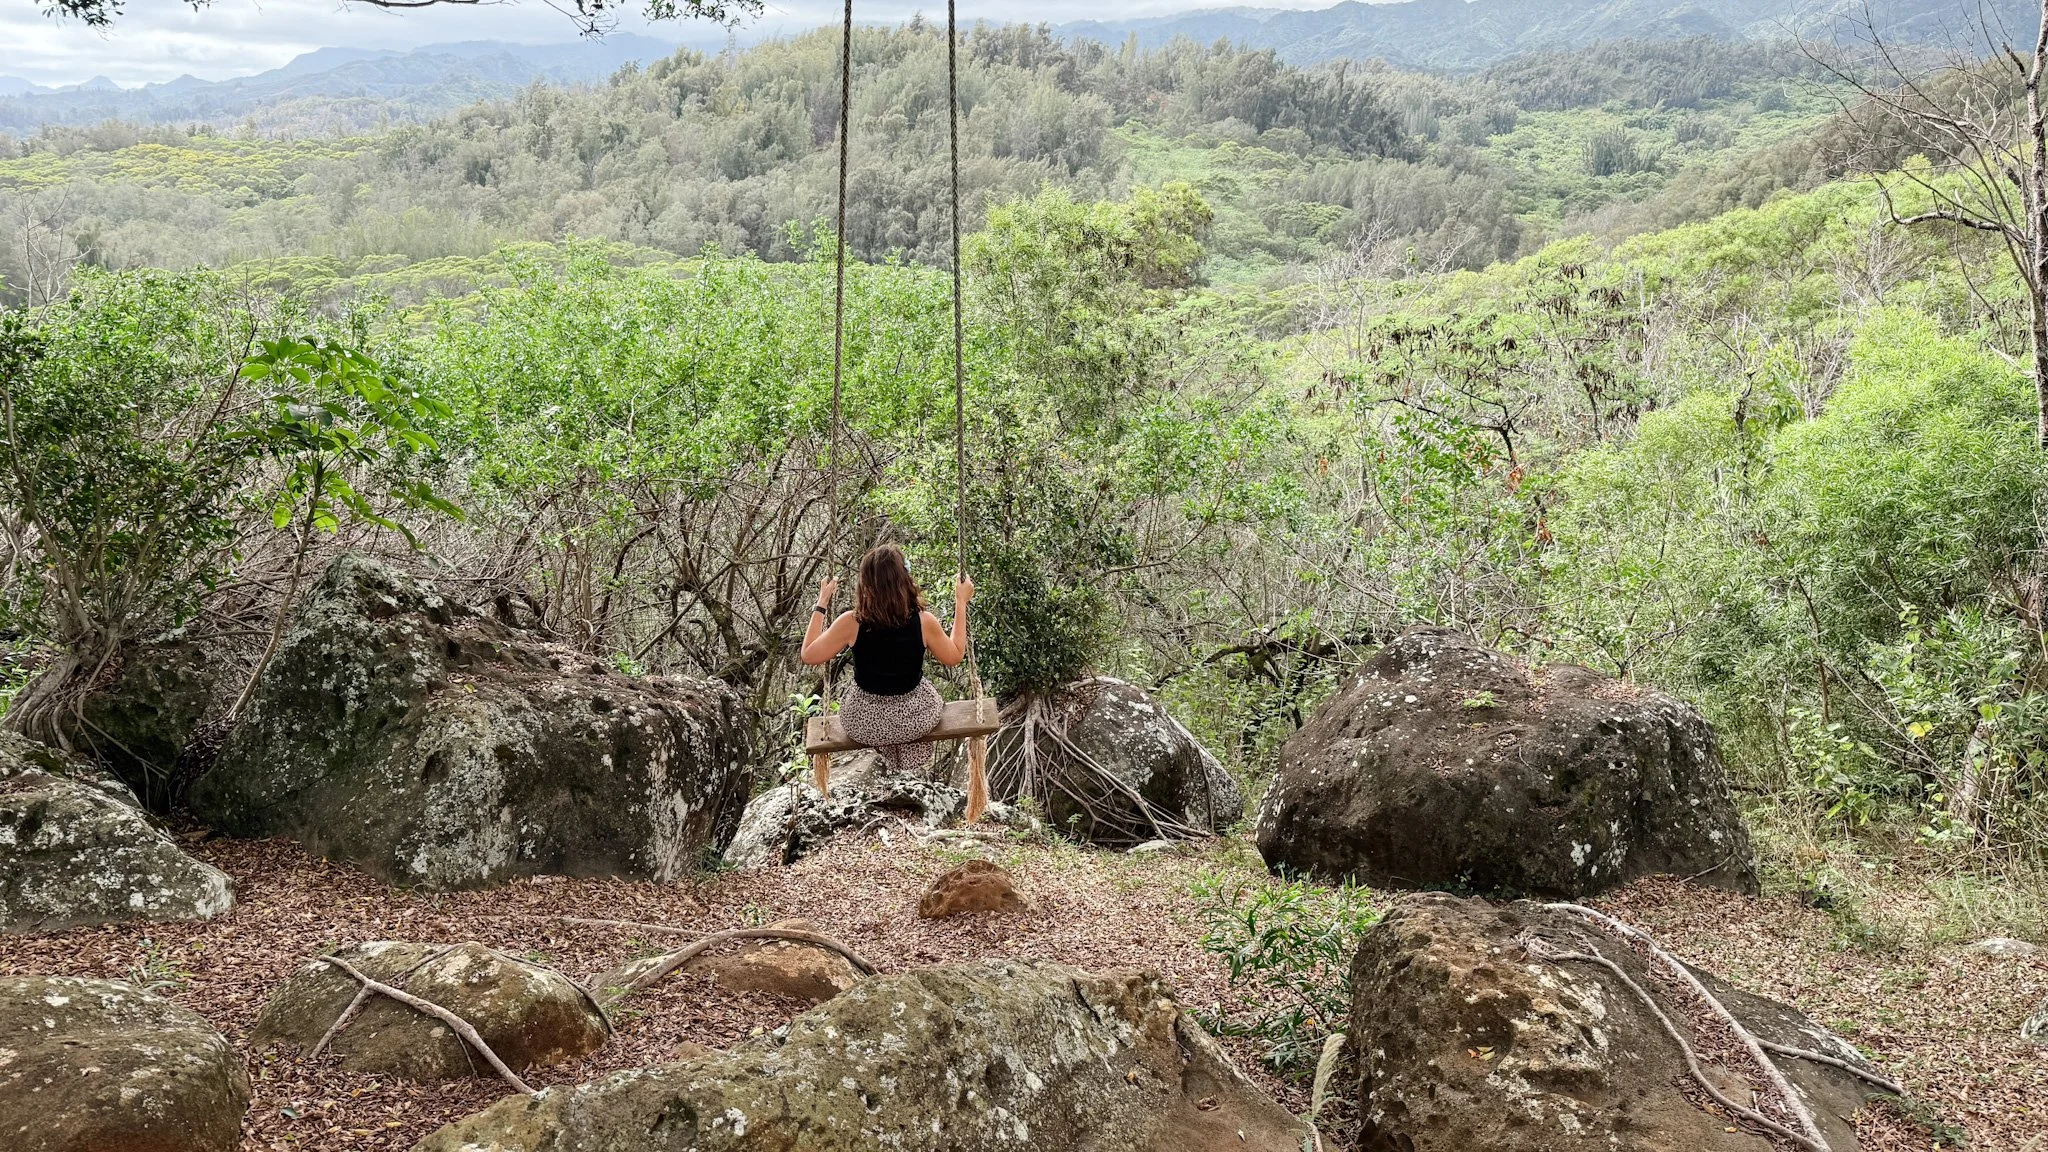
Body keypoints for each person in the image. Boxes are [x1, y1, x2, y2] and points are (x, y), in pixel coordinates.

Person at [801, 544, 974, 776]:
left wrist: (822, 602)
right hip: (914, 718)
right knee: (926, 695)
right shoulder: (924, 622)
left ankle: (885, 773)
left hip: (864, 721)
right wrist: (960, 602)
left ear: (865, 586)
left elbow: (809, 654)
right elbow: (954, 655)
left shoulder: (851, 623)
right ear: (904, 579)